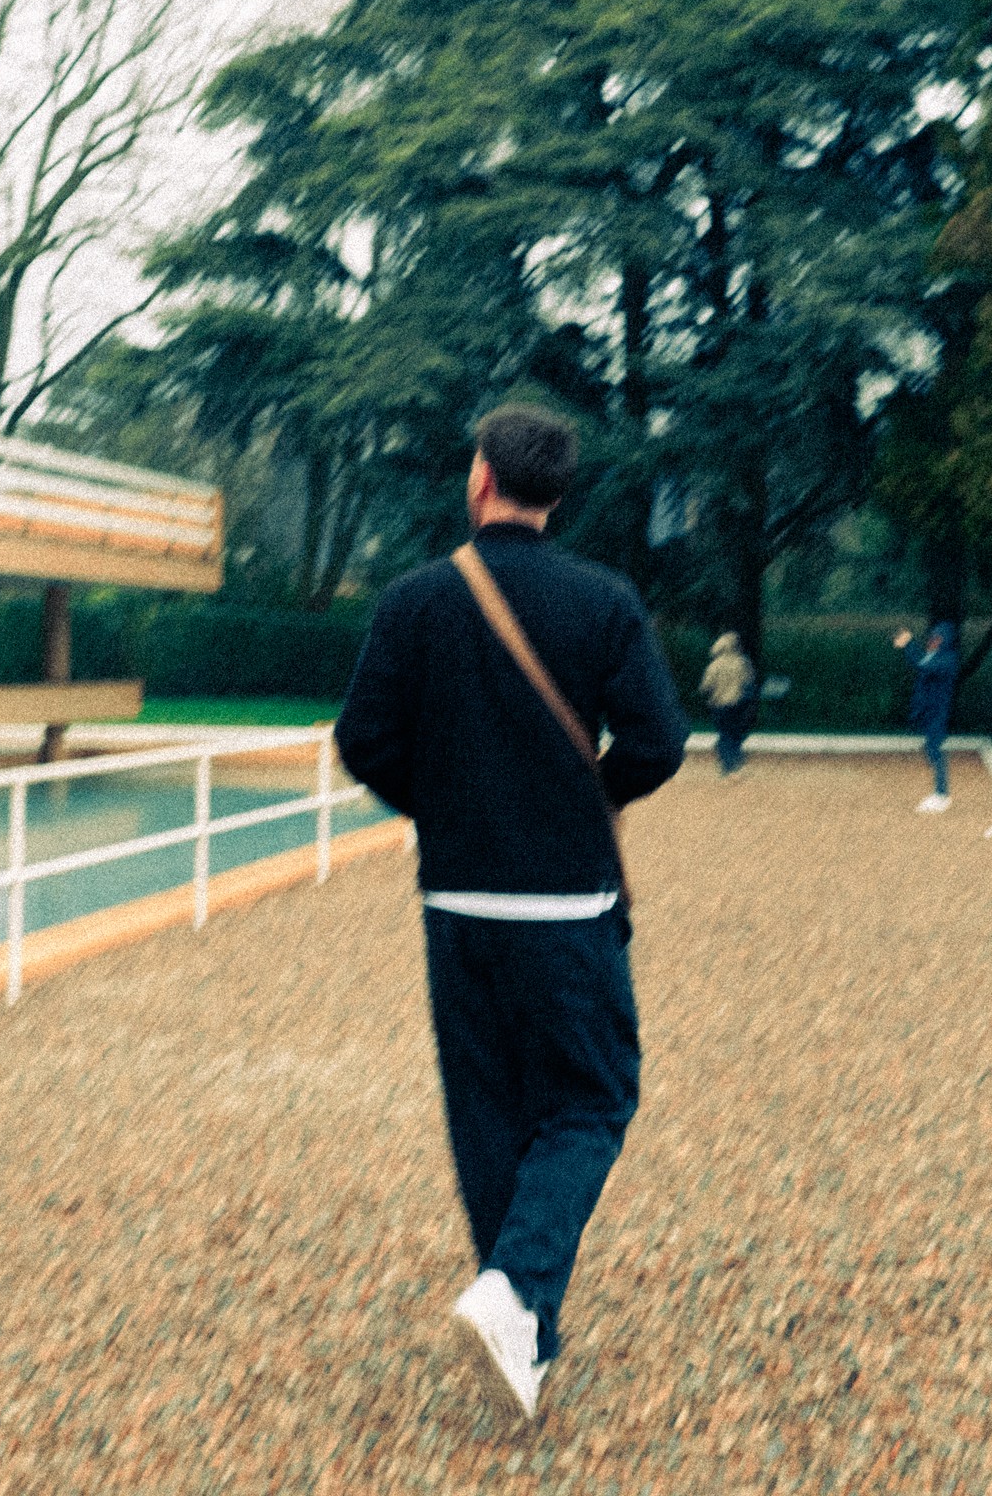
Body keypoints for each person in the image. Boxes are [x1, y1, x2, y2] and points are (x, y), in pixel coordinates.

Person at [334, 404, 686, 1425]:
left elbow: (364, 737)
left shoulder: (415, 600)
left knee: (487, 1111)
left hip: (456, 899)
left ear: (481, 477)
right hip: (569, 900)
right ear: (555, 492)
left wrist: (442, 806)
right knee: (589, 1101)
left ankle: (523, 1326)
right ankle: (515, 1289)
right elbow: (659, 743)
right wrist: (586, 797)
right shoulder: (604, 600)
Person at [897, 620, 958, 811]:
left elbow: (921, 664)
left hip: (938, 712)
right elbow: (922, 662)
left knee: (934, 748)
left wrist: (908, 643)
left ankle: (941, 795)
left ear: (945, 640)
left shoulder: (947, 659)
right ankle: (940, 793)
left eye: (938, 638)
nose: (933, 641)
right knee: (931, 748)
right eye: (932, 637)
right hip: (929, 711)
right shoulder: (935, 656)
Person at [699, 631, 757, 776]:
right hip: (738, 704)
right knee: (736, 732)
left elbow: (705, 687)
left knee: (724, 733)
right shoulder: (742, 663)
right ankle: (735, 761)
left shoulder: (714, 665)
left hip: (719, 705)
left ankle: (727, 764)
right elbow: (749, 683)